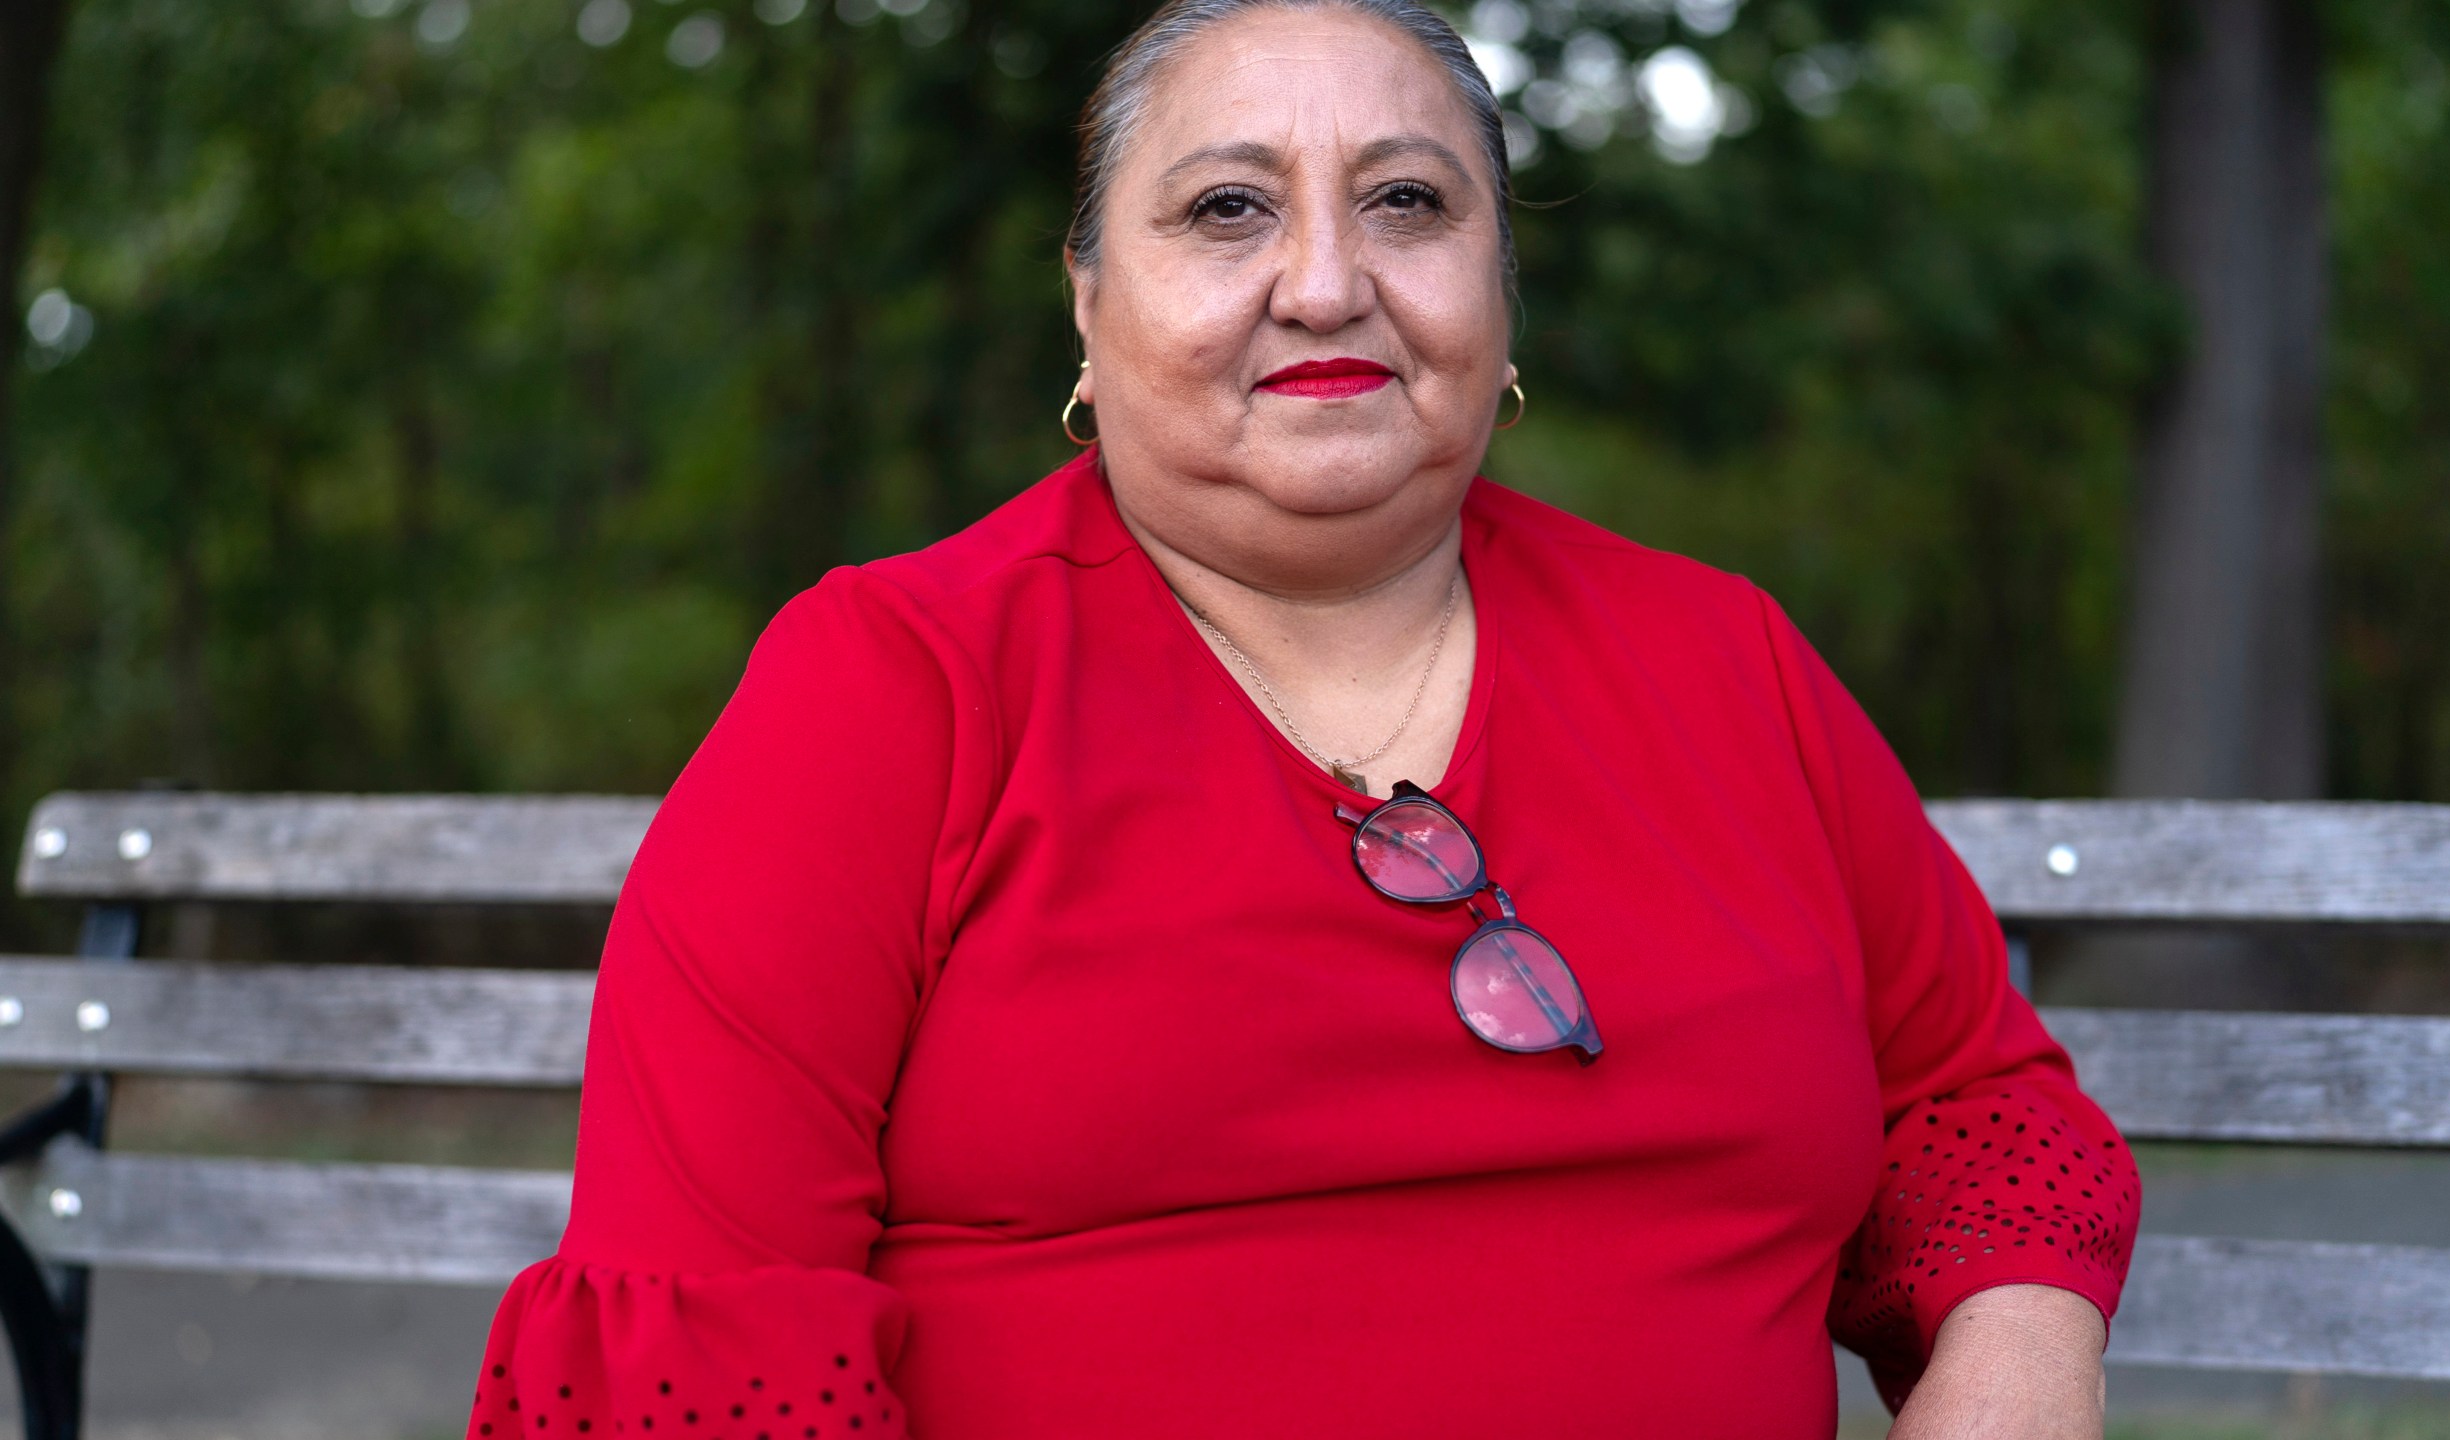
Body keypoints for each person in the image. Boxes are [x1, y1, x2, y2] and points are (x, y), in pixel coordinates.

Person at [466, 0, 2138, 1433]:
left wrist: (2020, 1359)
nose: (1327, 283)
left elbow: (1977, 1106)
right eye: (1225, 212)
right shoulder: (892, 690)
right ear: (1086, 301)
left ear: (1501, 295)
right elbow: (699, 1343)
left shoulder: (1725, 661)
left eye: (1408, 202)